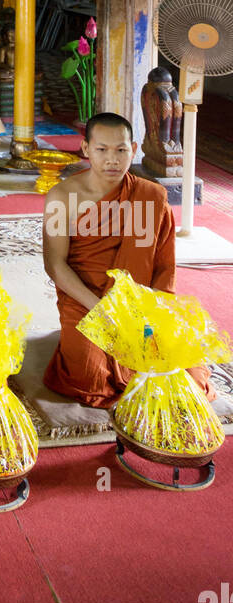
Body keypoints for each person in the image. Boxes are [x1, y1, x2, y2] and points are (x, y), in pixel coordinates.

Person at [42, 111, 214, 406]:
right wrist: (100, 309)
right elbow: (55, 265)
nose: (112, 159)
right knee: (89, 377)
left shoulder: (151, 196)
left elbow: (162, 267)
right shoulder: (62, 197)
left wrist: (149, 313)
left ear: (133, 150)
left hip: (139, 301)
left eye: (121, 150)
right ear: (85, 150)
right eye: (102, 150)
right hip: (86, 298)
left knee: (185, 375)